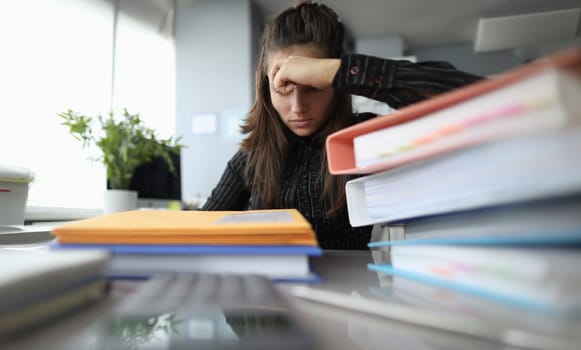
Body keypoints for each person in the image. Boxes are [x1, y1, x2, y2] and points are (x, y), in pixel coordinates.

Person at [202, 1, 482, 249]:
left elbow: (474, 102)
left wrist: (339, 70)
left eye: (313, 86)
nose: (298, 106)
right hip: (266, 303)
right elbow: (197, 233)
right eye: (284, 89)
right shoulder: (250, 158)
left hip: (347, 298)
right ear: (266, 90)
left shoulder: (365, 141)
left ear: (334, 85)